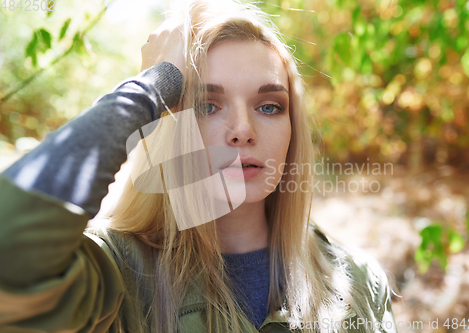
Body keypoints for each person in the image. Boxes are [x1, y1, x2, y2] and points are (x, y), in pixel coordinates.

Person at [0, 0, 397, 332]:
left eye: (269, 106)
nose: (242, 130)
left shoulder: (359, 282)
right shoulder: (119, 275)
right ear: (171, 126)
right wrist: (152, 86)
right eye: (207, 105)